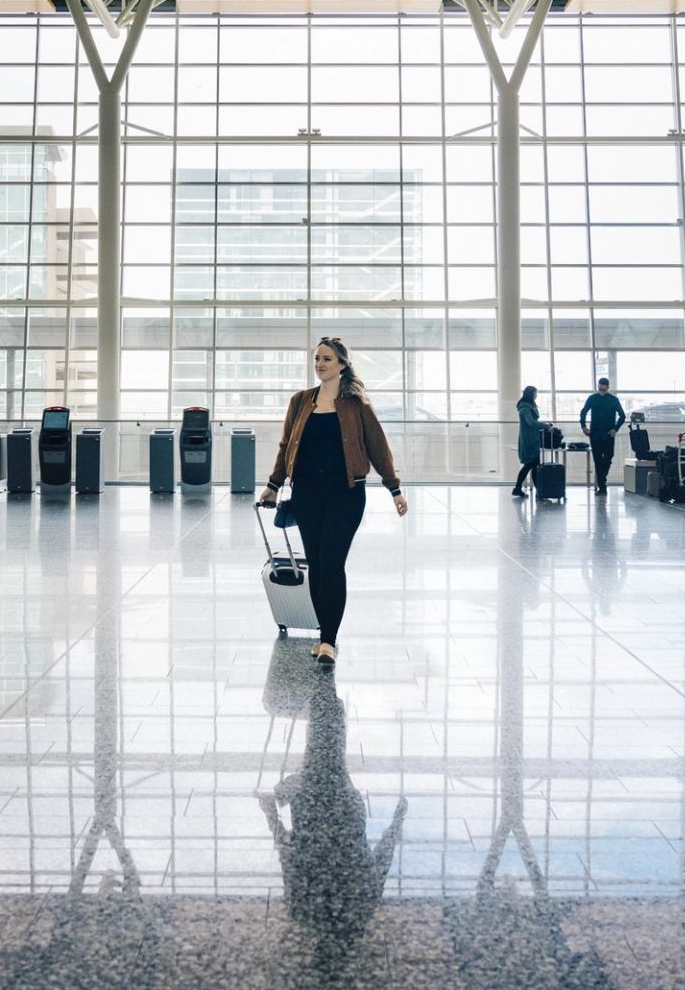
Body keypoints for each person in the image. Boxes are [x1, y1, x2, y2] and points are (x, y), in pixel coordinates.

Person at [261, 337, 407, 665]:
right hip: (306, 495)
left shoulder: (356, 404)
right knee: (316, 564)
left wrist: (394, 488)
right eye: (317, 359)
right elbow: (287, 445)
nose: (320, 364)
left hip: (346, 494)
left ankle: (328, 640)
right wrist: (273, 484)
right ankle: (322, 633)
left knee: (331, 562)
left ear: (342, 364)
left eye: (327, 359)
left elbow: (377, 446)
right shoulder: (300, 402)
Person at [258, 674, 407, 960]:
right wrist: (270, 813)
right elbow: (287, 855)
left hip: (345, 815)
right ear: (317, 948)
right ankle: (324, 692)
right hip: (312, 814)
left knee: (329, 755)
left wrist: (398, 821)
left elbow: (383, 859)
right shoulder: (302, 912)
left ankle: (327, 693)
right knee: (318, 754)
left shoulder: (363, 909)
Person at [578, 377, 626, 495]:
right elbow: (583, 412)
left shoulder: (613, 400)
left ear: (608, 388)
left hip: (608, 434)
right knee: (598, 461)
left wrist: (615, 429)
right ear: (598, 387)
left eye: (604, 389)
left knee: (608, 457)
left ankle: (602, 480)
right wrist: (583, 426)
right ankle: (602, 486)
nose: (602, 391)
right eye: (600, 388)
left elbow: (622, 415)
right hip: (594, 434)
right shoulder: (592, 398)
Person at [511, 385, 541, 497]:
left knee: (532, 466)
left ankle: (522, 488)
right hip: (529, 440)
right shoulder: (525, 408)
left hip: (532, 439)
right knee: (530, 465)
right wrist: (546, 426)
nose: (536, 395)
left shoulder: (529, 406)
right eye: (535, 393)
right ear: (530, 394)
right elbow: (531, 422)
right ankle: (519, 488)